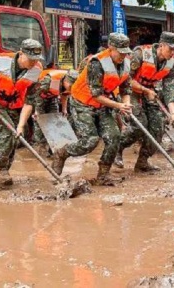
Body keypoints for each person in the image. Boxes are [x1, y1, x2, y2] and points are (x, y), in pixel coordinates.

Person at [53, 33, 132, 185]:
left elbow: (125, 88)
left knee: (114, 136)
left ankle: (103, 175)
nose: (123, 55)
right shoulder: (97, 63)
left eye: (125, 52)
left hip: (103, 105)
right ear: (111, 48)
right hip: (83, 102)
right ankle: (62, 153)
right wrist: (118, 105)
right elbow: (96, 95)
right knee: (90, 141)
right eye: (120, 52)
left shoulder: (126, 63)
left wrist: (126, 104)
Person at [0, 39, 45, 187]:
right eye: (31, 59)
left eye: (37, 60)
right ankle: (1, 169)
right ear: (21, 54)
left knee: (15, 136)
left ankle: (0, 173)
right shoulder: (0, 63)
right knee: (6, 133)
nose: (34, 63)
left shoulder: (36, 70)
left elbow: (29, 102)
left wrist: (21, 125)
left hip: (14, 105)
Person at [120, 32, 174, 173]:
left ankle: (142, 162)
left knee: (158, 126)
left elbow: (169, 90)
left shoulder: (170, 63)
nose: (172, 53)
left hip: (150, 92)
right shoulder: (140, 54)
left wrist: (172, 112)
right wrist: (145, 90)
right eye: (170, 49)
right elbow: (126, 80)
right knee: (140, 124)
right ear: (161, 45)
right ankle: (118, 148)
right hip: (131, 91)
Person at [31, 68, 75, 156]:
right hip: (39, 97)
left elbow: (65, 94)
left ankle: (55, 148)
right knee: (40, 120)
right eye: (70, 86)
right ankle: (40, 146)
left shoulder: (70, 84)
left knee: (55, 120)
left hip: (52, 97)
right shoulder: (49, 80)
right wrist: (37, 111)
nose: (71, 88)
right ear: (65, 80)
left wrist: (64, 109)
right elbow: (36, 94)